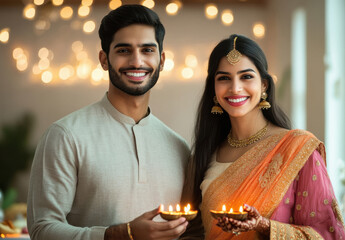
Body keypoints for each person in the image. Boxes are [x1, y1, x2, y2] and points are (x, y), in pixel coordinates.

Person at [27, 4, 190, 240]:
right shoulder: (65, 135)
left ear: (161, 60)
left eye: (147, 50)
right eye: (124, 50)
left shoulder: (179, 147)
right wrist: (121, 234)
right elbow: (42, 229)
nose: (137, 61)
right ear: (104, 60)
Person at [180, 34, 345, 239]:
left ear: (264, 85)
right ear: (213, 87)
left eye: (246, 76)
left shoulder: (297, 148)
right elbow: (192, 232)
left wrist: (264, 226)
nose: (235, 88)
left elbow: (327, 234)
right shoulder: (205, 155)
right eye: (224, 78)